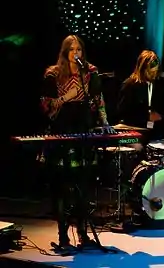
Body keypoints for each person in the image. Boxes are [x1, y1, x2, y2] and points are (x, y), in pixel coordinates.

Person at [40, 35, 114, 250]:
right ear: (65, 52)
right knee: (61, 187)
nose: (76, 53)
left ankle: (83, 233)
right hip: (60, 133)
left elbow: (98, 99)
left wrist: (105, 121)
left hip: (83, 133)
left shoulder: (90, 72)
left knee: (84, 185)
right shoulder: (53, 73)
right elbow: (45, 106)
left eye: (79, 49)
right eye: (71, 50)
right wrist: (66, 98)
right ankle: (63, 235)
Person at [117, 49, 164, 151]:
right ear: (142, 67)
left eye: (155, 67)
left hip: (158, 131)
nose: (154, 71)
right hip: (135, 132)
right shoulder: (130, 85)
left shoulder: (163, 84)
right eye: (150, 68)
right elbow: (123, 112)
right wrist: (146, 116)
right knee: (138, 148)